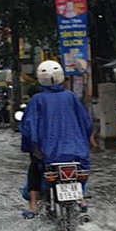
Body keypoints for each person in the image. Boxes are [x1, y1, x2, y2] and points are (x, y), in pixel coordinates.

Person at [20, 60, 93, 218]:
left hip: (48, 153)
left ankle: (32, 205)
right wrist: (85, 142)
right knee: (80, 171)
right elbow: (86, 122)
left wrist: (30, 147)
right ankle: (80, 199)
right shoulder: (71, 97)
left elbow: (27, 127)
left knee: (34, 168)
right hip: (76, 152)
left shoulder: (37, 99)